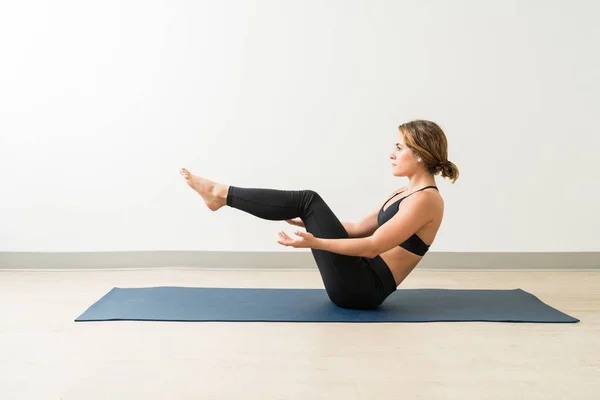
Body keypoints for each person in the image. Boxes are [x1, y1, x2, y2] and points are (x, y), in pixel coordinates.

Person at [180, 120, 459, 310]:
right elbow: (357, 228)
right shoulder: (403, 193)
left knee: (308, 199)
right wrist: (310, 222)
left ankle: (218, 193)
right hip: (358, 278)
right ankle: (219, 196)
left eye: (399, 148)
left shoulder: (426, 201)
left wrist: (316, 242)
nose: (391, 154)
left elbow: (374, 247)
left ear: (420, 155)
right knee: (307, 204)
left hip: (363, 289)